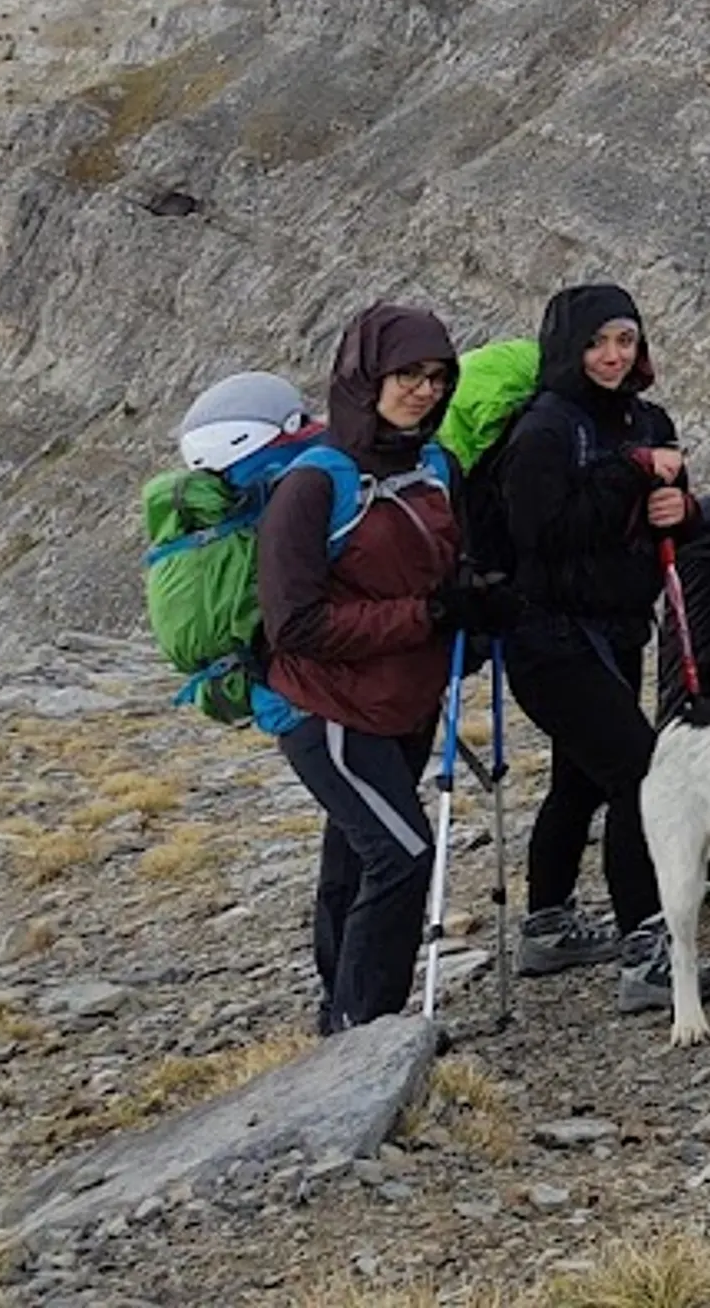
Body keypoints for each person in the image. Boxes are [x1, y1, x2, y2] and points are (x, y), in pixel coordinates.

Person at [257, 303, 505, 1034]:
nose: (425, 391)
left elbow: (448, 569)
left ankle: (339, 1013)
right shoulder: (311, 486)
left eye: (438, 376)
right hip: (327, 709)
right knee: (403, 859)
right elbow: (294, 624)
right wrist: (429, 617)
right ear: (366, 376)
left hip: (405, 701)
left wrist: (480, 609)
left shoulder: (435, 466)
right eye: (407, 375)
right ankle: (370, 1033)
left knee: (355, 857)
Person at [494, 281, 687, 1003]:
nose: (612, 356)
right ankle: (646, 954)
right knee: (642, 774)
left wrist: (681, 507)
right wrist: (632, 473)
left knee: (582, 775)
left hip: (617, 627)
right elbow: (537, 533)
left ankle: (547, 926)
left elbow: (662, 516)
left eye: (626, 341)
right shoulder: (545, 427)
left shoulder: (646, 417)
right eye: (599, 342)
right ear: (569, 347)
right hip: (548, 636)